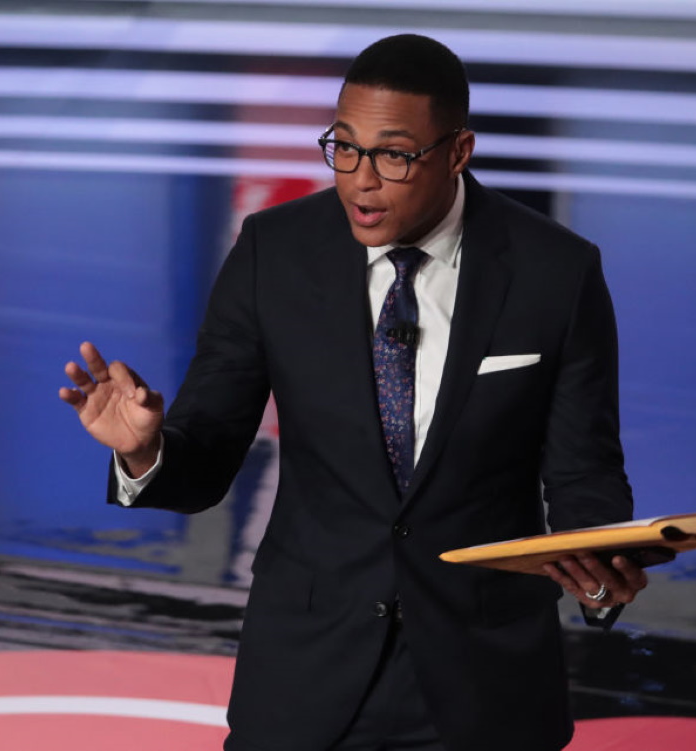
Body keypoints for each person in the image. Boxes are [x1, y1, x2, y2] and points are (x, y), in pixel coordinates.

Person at [60, 34, 647, 751]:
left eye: (394, 155)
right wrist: (148, 451)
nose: (361, 180)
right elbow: (207, 453)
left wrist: (598, 571)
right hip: (308, 677)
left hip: (483, 688)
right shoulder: (273, 252)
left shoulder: (556, 271)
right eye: (343, 147)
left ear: (457, 151)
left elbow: (585, 469)